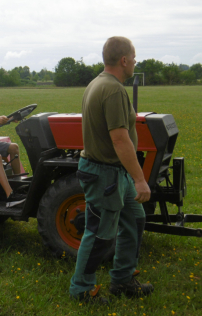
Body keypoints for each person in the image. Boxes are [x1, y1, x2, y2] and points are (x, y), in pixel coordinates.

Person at [69, 36, 153, 304]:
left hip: (116, 173)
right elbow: (119, 139)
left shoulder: (97, 82)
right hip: (105, 174)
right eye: (134, 58)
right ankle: (81, 289)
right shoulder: (113, 89)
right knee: (100, 235)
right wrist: (140, 180)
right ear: (124, 60)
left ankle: (122, 278)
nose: (135, 62)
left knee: (135, 220)